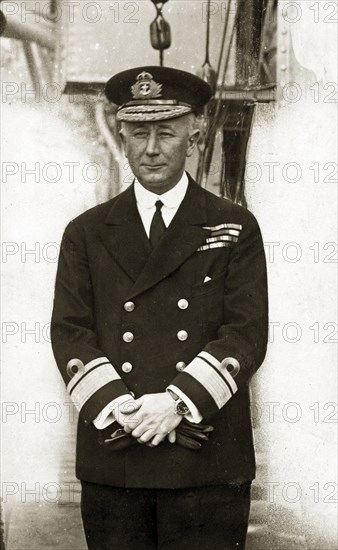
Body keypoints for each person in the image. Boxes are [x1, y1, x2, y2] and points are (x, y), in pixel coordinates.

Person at [51, 66, 268, 550]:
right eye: (139, 134)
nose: (152, 149)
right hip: (117, 447)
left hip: (206, 452)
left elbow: (246, 332)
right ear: (122, 137)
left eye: (166, 132)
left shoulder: (233, 227)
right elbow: (70, 331)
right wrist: (122, 409)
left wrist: (175, 403)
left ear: (195, 135)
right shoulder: (85, 233)